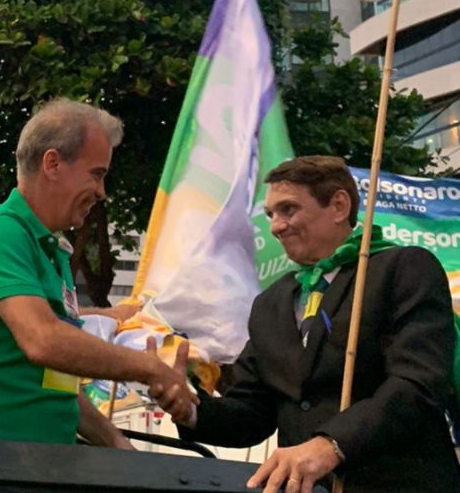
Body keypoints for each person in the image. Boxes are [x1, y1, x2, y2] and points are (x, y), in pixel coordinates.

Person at [176, 156, 460, 493]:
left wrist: (332, 445)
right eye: (271, 214)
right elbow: (252, 413)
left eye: (288, 209)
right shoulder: (270, 304)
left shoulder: (403, 268)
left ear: (339, 205)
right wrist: (188, 405)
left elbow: (418, 383)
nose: (276, 226)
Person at [0, 98, 196, 446]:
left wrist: (118, 444)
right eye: (97, 174)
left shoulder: (53, 250)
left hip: (39, 461)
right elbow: (43, 341)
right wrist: (149, 367)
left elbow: (56, 380)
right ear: (53, 163)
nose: (102, 192)